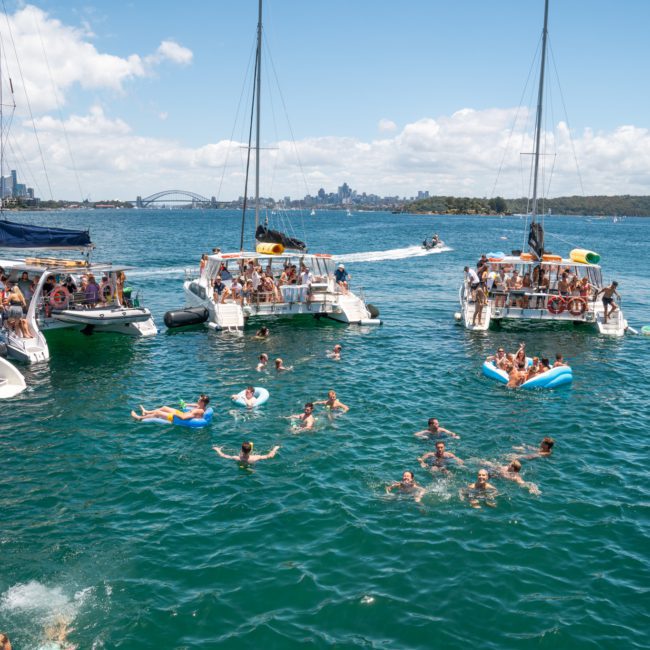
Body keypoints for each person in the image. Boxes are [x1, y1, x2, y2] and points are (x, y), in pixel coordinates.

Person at [131, 395, 210, 421]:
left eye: (199, 399)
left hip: (179, 418)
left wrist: (174, 414)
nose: (197, 400)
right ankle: (147, 412)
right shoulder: (201, 407)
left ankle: (139, 418)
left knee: (158, 413)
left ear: (202, 402)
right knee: (164, 408)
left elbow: (183, 417)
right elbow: (195, 405)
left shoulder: (199, 411)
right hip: (182, 414)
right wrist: (186, 404)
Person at [213, 441, 280, 465]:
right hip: (252, 464)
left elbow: (223, 455)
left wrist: (218, 450)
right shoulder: (255, 457)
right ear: (250, 451)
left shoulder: (237, 458)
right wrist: (275, 449)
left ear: (241, 450)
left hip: (241, 463)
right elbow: (269, 456)